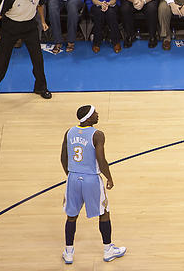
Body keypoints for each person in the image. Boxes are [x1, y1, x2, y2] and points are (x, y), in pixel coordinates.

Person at [60, 105, 127, 264]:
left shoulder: (69, 132)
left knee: (71, 216)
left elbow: (63, 157)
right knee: (104, 213)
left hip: (73, 178)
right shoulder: (97, 135)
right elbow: (101, 160)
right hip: (91, 180)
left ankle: (69, 253)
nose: (97, 114)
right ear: (89, 118)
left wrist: (70, 175)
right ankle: (108, 249)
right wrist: (109, 177)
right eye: (94, 113)